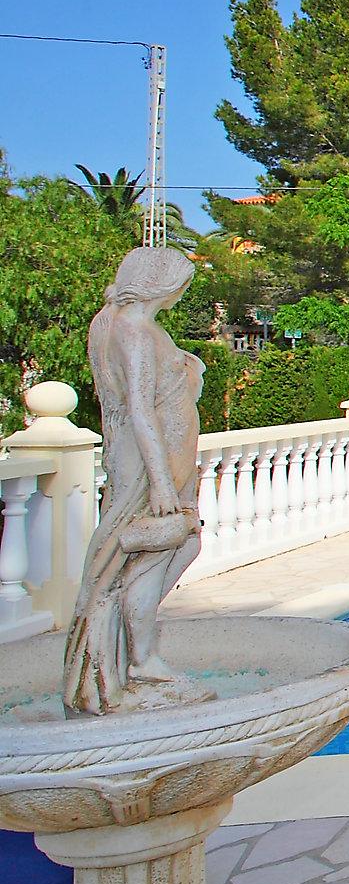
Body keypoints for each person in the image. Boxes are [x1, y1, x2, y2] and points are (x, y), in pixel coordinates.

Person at [63, 246, 214, 714]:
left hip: (155, 458)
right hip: (155, 464)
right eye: (180, 281)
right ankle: (143, 663)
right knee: (157, 553)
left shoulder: (111, 322)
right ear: (160, 282)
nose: (183, 290)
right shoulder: (134, 330)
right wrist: (162, 483)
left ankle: (126, 654)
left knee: (173, 548)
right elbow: (140, 407)